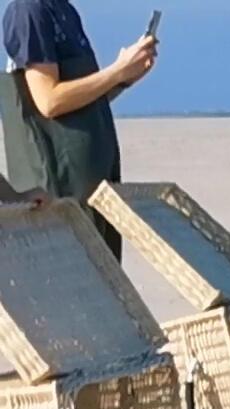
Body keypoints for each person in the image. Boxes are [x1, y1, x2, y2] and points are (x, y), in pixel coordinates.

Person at [0, 1, 156, 258]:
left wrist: (125, 77)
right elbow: (49, 101)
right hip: (63, 189)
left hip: (97, 188)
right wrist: (116, 71)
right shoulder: (29, 11)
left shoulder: (65, 10)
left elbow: (82, 102)